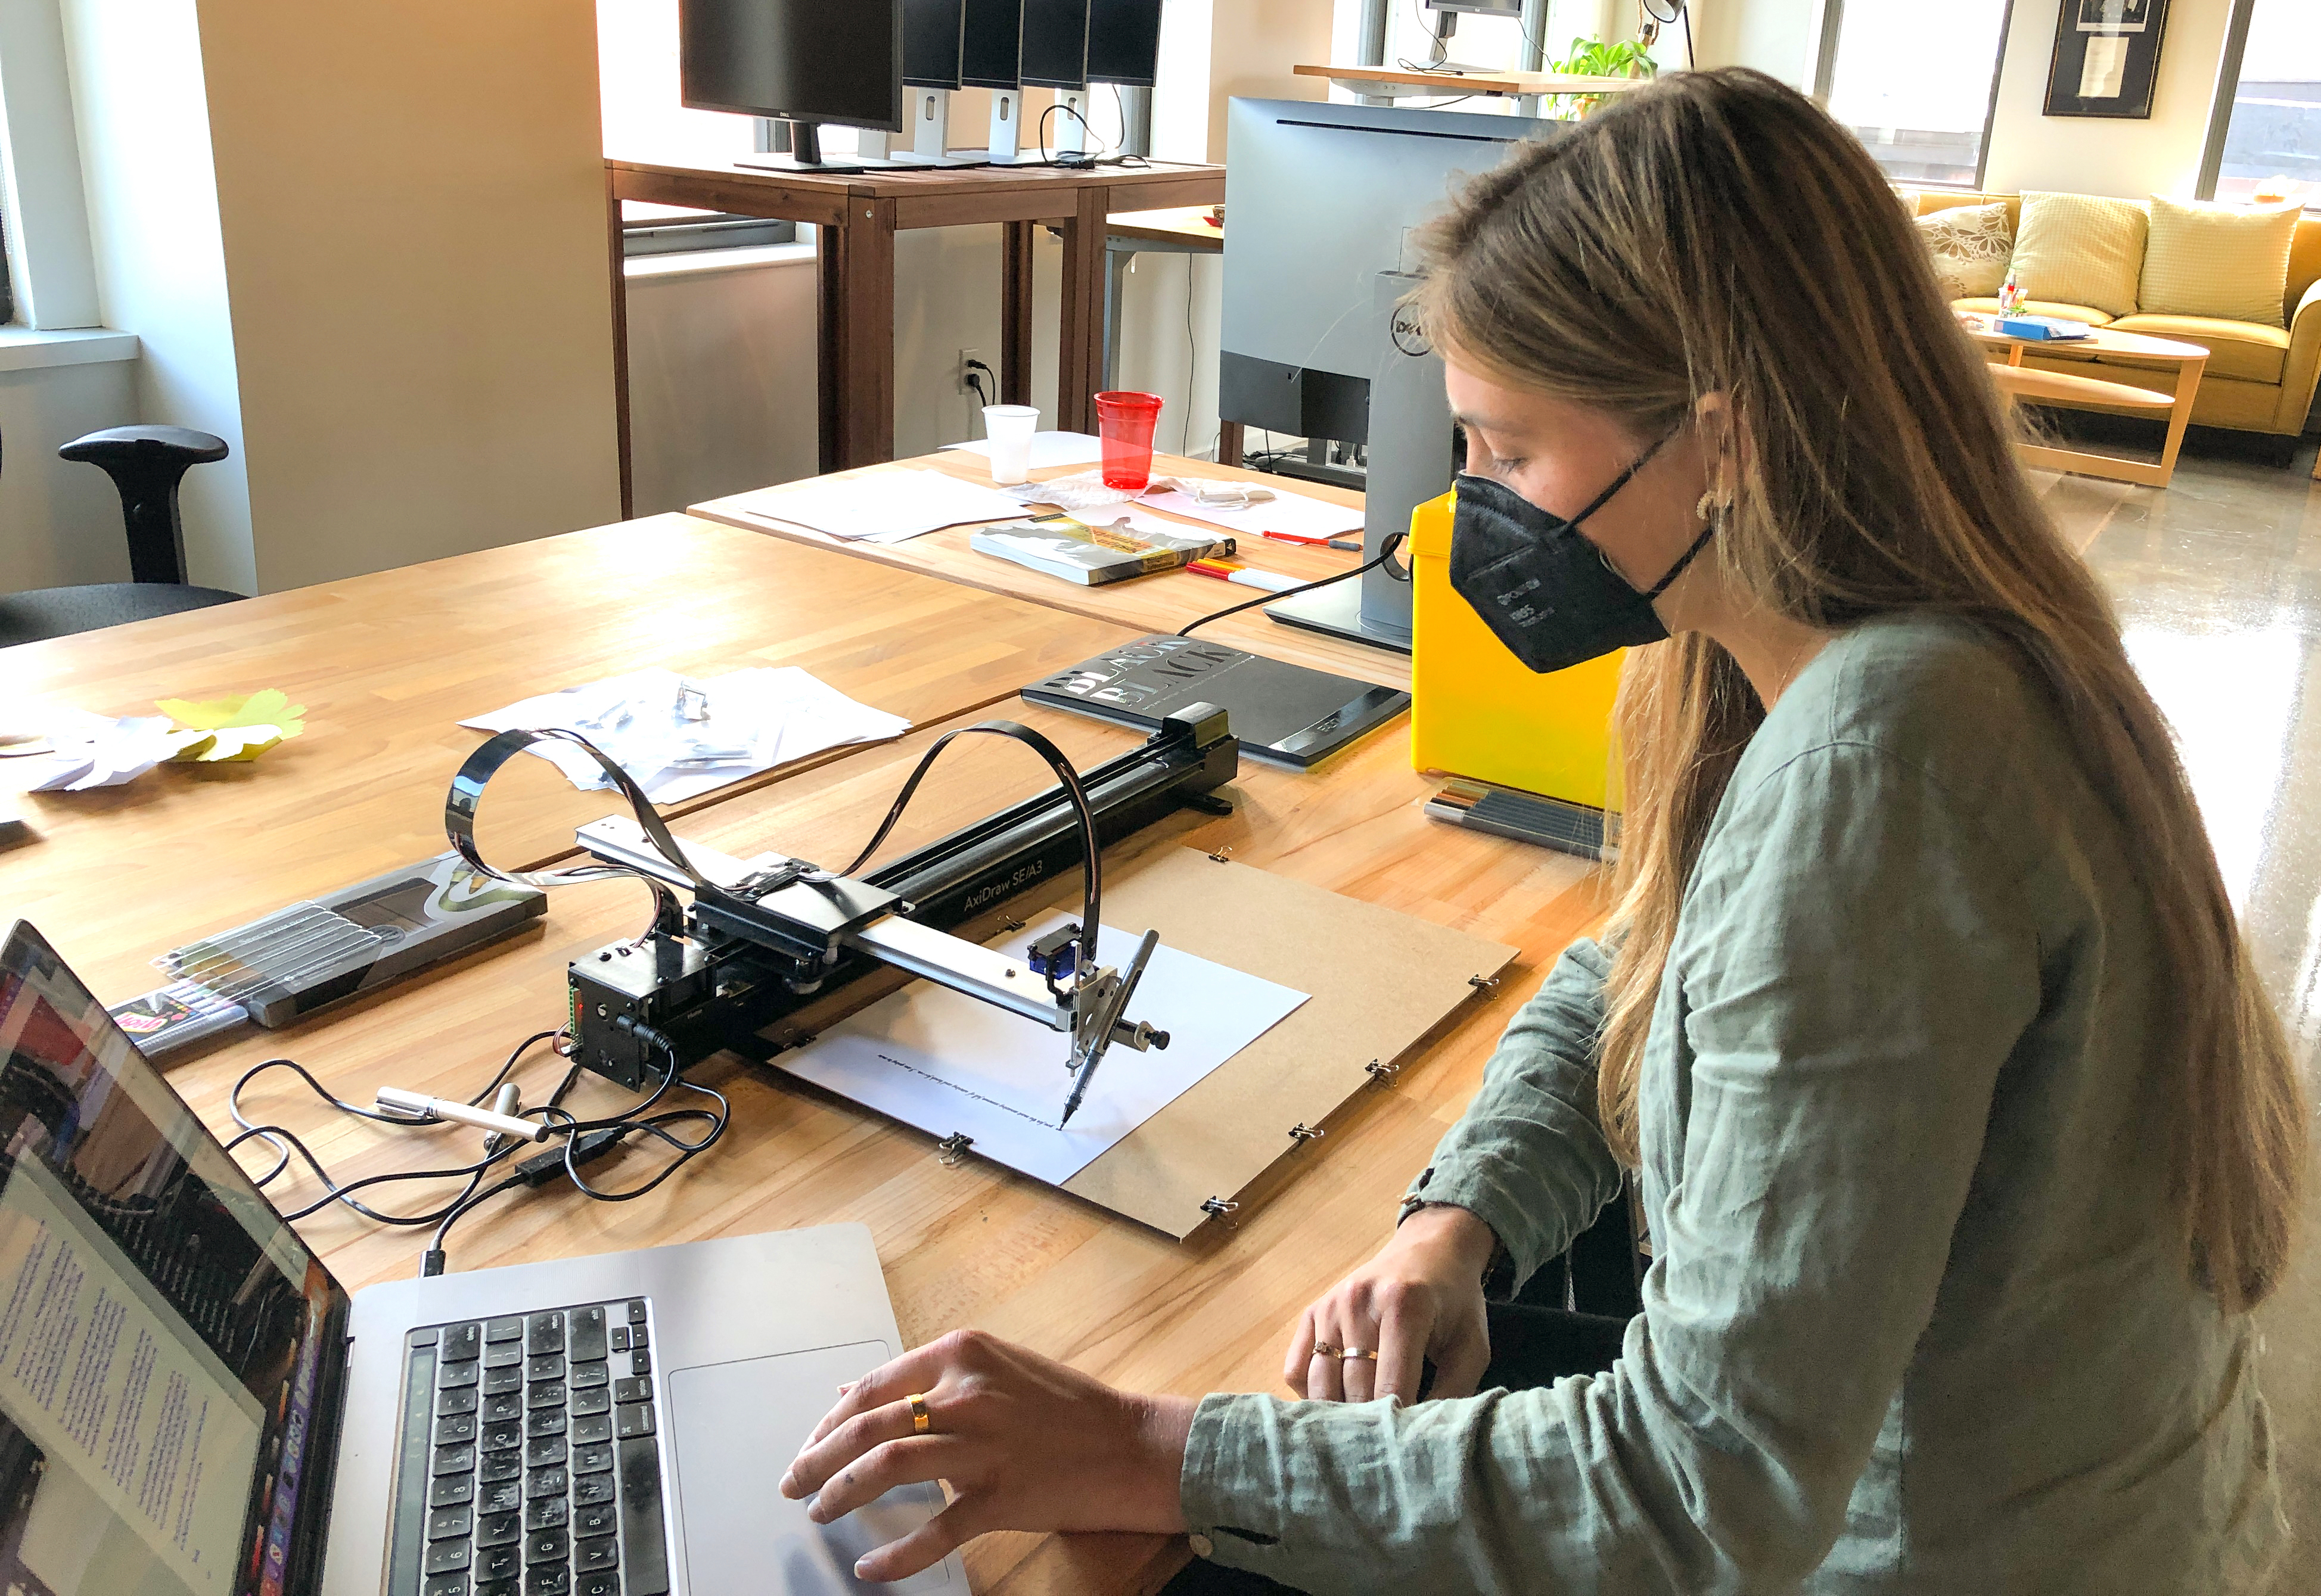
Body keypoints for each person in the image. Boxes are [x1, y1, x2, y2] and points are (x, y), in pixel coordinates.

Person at [779, 67, 2306, 1593]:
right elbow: (1638, 962)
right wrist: (1461, 1217)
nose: (1471, 498)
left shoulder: (1886, 762)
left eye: (1509, 452)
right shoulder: (1853, 640)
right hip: (1993, 1482)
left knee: (1139, 1543)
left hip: (1929, 1548)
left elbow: (1705, 1492)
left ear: (1727, 442)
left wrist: (1150, 1442)